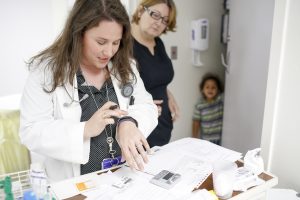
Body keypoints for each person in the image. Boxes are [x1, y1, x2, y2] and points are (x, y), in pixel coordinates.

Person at [19, 0, 158, 183]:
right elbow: (31, 131)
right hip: (75, 186)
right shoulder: (46, 72)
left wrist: (129, 121)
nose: (108, 51)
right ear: (78, 32)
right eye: (101, 42)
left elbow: (147, 105)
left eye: (116, 42)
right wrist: (84, 130)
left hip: (123, 179)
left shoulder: (125, 66)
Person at [131, 0, 179, 147]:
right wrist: (141, 105)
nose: (159, 23)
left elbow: (155, 77)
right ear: (140, 11)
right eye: (155, 15)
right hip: (139, 132)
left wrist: (166, 92)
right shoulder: (122, 44)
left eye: (165, 20)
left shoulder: (158, 43)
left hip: (162, 129)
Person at [192, 73, 224, 145]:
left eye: (213, 87)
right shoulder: (199, 105)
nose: (210, 89)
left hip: (220, 138)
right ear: (202, 89)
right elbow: (196, 122)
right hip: (206, 139)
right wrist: (194, 137)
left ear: (218, 90)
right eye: (207, 87)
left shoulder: (220, 102)